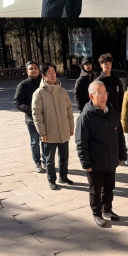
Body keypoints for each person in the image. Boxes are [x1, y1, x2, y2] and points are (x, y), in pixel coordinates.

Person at [75, 80, 127, 227]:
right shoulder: (86, 116)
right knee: (95, 191)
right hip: (95, 163)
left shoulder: (112, 112)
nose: (104, 96)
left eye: (105, 92)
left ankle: (107, 209)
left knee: (109, 188)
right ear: (91, 96)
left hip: (110, 160)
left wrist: (122, 155)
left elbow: (120, 135)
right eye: (99, 93)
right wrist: (86, 163)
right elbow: (81, 142)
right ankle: (97, 213)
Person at [32, 62, 75, 191]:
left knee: (64, 157)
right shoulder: (39, 94)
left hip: (63, 131)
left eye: (54, 72)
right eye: (49, 73)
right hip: (49, 133)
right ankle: (51, 180)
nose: (52, 75)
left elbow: (69, 111)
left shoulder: (62, 91)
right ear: (43, 75)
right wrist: (42, 133)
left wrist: (71, 127)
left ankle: (63, 177)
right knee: (49, 160)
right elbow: (37, 115)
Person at [14, 60, 45, 172]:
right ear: (27, 71)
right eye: (31, 69)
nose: (34, 70)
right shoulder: (23, 85)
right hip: (32, 119)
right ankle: (37, 162)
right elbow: (17, 102)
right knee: (35, 142)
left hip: (46, 117)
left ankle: (46, 160)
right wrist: (32, 111)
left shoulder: (44, 82)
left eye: (35, 68)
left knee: (45, 140)